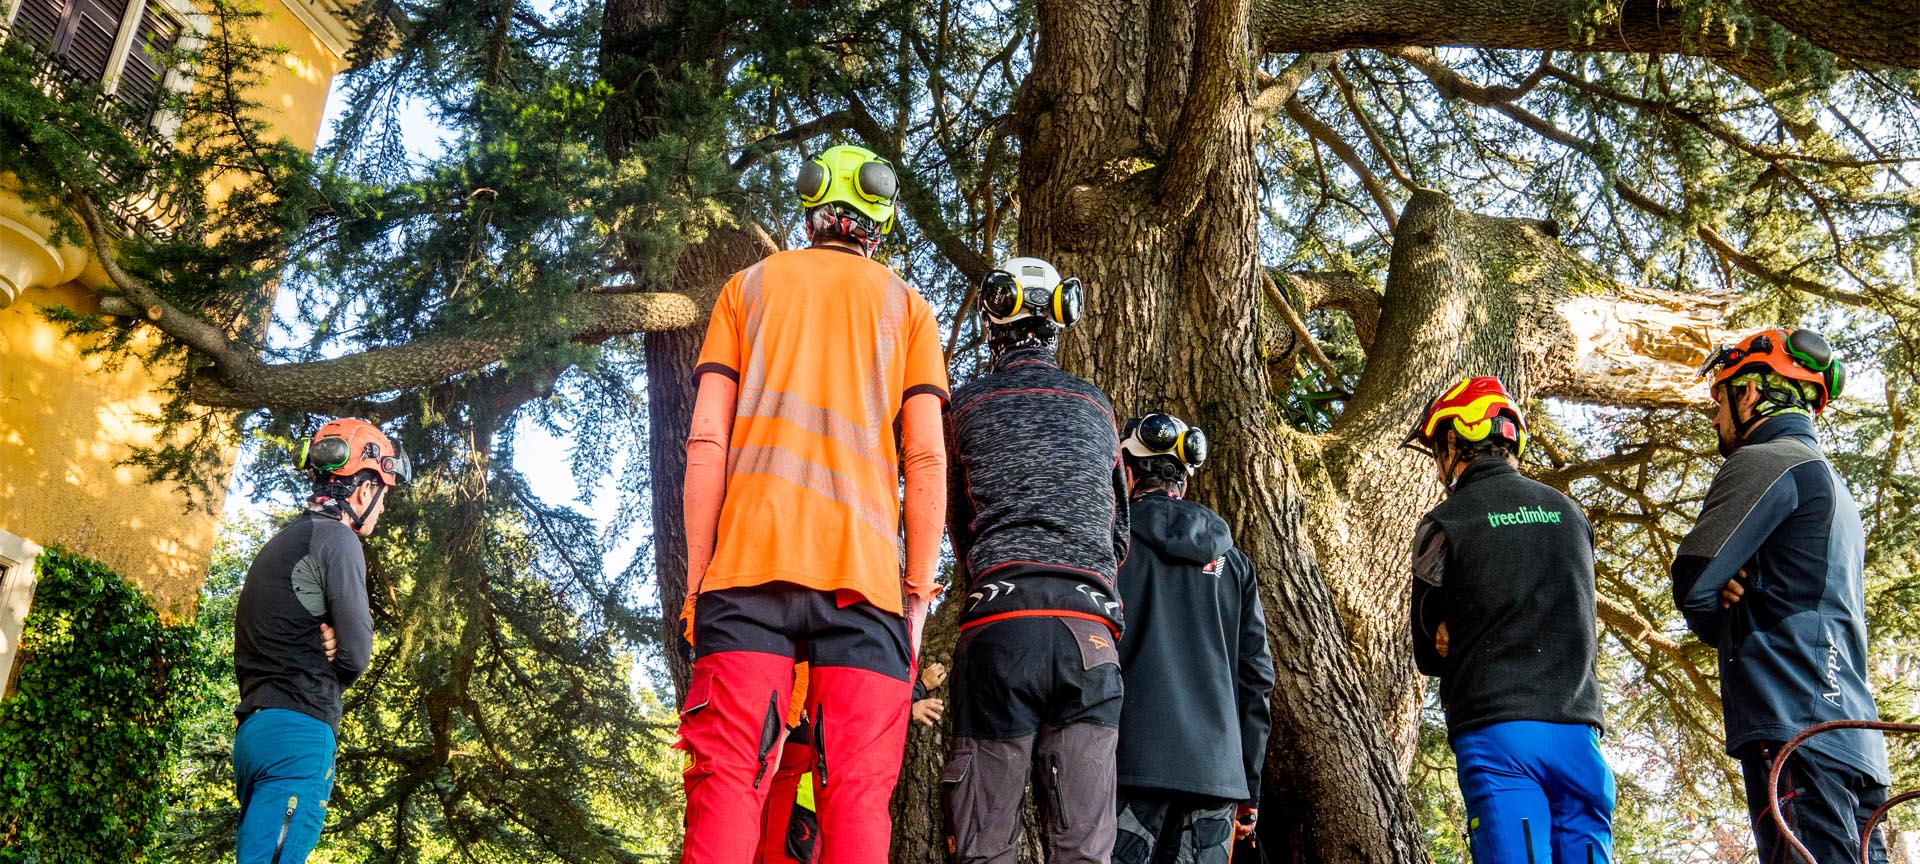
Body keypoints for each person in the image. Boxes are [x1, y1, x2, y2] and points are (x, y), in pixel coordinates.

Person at [678, 143, 950, 864]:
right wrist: (916, 594)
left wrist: (697, 580)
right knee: (856, 798)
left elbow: (706, 441)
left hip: (745, 573)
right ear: (881, 215)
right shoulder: (909, 308)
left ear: (811, 205)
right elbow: (925, 458)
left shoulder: (747, 289)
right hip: (864, 584)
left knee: (728, 783)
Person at [1675, 328, 1888, 864]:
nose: (1716, 419)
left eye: (1719, 400)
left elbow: (1693, 576)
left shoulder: (1768, 459)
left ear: (1749, 393)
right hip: (1852, 735)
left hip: (1794, 724)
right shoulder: (1834, 486)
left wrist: (1729, 612)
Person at [941, 257, 1128, 864]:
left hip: (1000, 624)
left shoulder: (964, 408)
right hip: (1090, 635)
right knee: (1085, 849)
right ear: (1061, 319)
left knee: (986, 843)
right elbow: (1117, 530)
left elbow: (957, 522)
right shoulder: (1099, 408)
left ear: (995, 321)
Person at [1403, 377, 1614, 864]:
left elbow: (1425, 651)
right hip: (1580, 736)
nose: (1438, 465)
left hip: (1499, 733)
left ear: (1456, 441)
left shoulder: (1443, 523)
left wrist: (1447, 627)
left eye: (1438, 448)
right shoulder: (1570, 512)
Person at [232, 418, 409, 863]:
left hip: (255, 732)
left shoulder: (284, 540)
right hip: (299, 737)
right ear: (365, 491)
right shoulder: (338, 541)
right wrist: (339, 654)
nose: (383, 509)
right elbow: (356, 653)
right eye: (383, 495)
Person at [1111, 412, 1275, 864]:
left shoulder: (1109, 548)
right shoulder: (1235, 565)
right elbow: (1257, 679)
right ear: (1183, 481)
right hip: (1216, 777)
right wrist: (1249, 786)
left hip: (1128, 764)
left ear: (1126, 471)